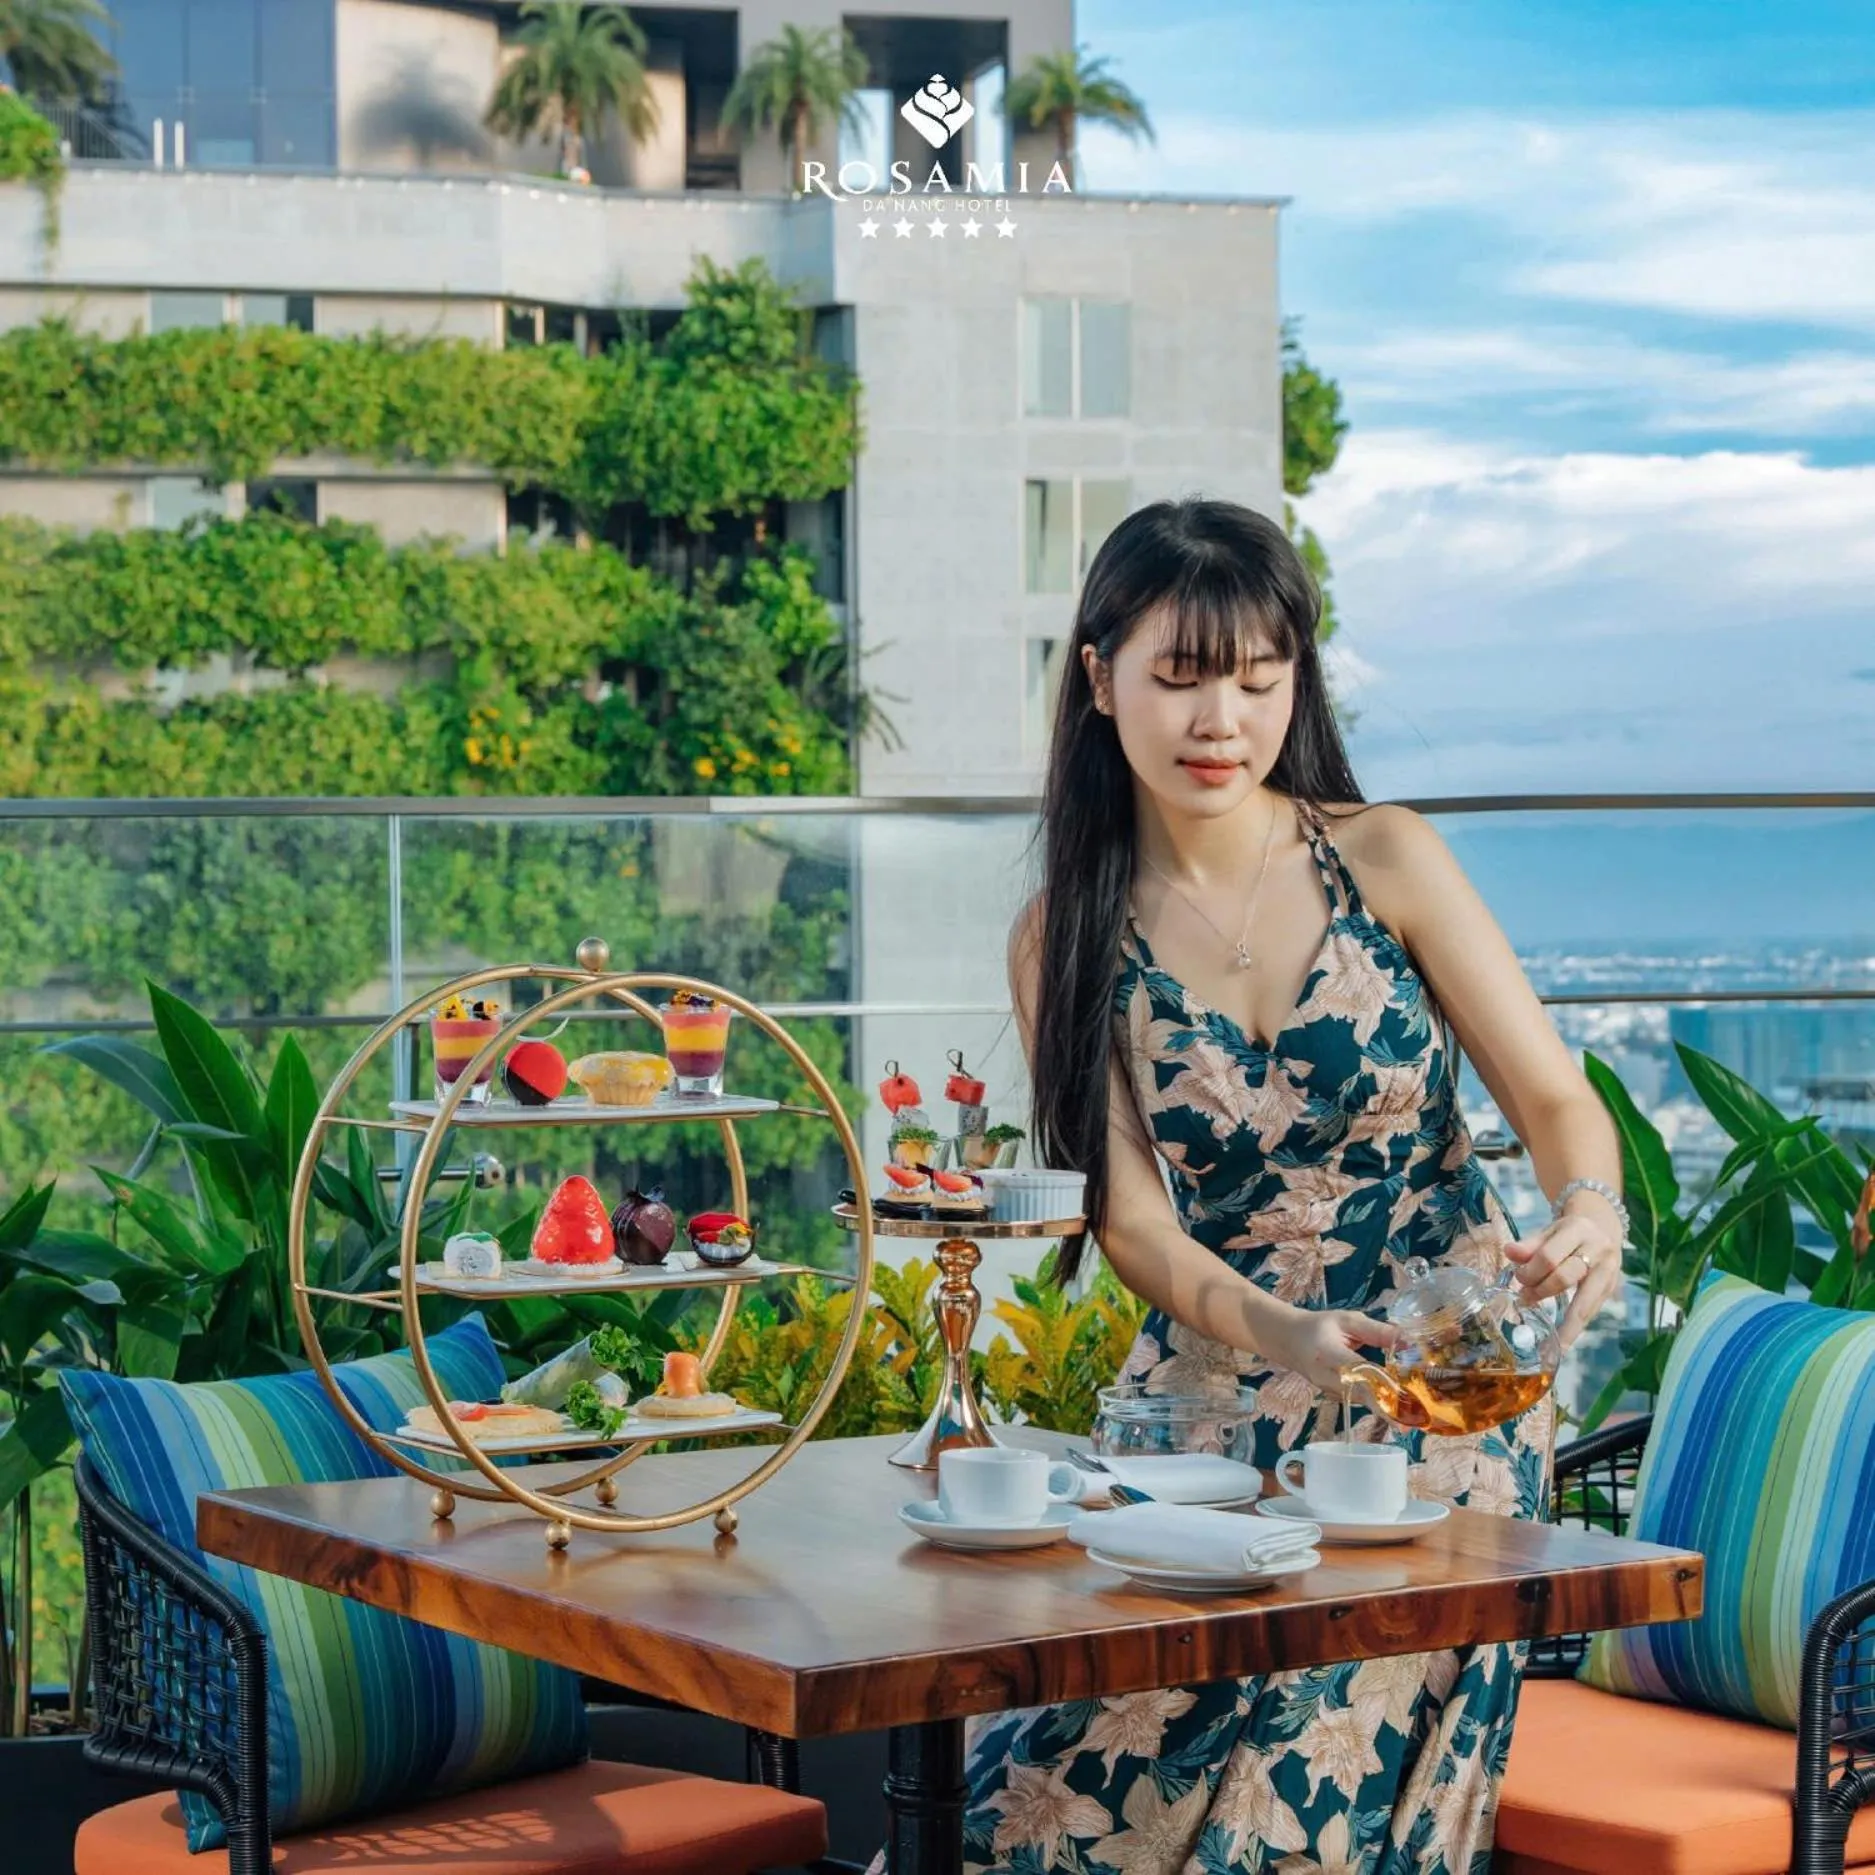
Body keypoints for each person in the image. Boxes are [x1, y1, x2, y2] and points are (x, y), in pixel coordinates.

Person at [973, 496, 1627, 1874]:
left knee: (1307, 1777)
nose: (1221, 720)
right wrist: (1284, 1332)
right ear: (1098, 678)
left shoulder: (1384, 856)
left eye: (1259, 681)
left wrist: (1589, 1209)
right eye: (1179, 677)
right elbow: (1129, 1220)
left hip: (1441, 1389)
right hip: (1212, 1392)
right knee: (1063, 1784)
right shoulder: (1063, 933)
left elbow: (1555, 1099)